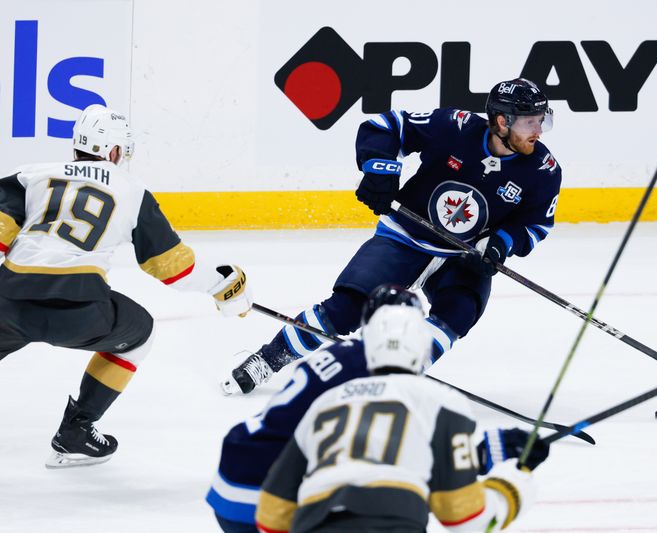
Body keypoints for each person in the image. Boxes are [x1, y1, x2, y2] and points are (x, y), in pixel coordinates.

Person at [222, 77, 562, 395]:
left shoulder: (544, 171)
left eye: (541, 120)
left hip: (464, 256)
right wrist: (380, 170)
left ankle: (400, 376)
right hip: (405, 236)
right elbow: (387, 127)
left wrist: (500, 244)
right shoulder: (455, 127)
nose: (539, 130)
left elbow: (535, 224)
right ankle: (268, 359)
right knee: (344, 310)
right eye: (529, 121)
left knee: (458, 312)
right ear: (502, 122)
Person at [0, 104, 253, 468]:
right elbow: (173, 269)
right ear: (114, 151)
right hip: (81, 311)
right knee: (141, 332)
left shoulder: (32, 176)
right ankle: (77, 430)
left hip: (10, 301)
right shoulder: (132, 191)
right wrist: (224, 285)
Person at [207, 285, 548, 533]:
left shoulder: (347, 364)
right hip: (262, 489)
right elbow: (389, 469)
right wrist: (507, 480)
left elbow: (372, 450)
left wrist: (475, 454)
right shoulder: (406, 388)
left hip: (242, 477)